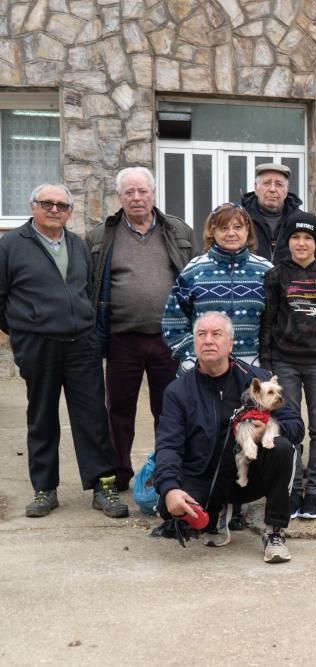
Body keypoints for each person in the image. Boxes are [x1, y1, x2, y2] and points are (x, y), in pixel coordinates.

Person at [0, 184, 128, 519]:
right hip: (38, 346)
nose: (55, 210)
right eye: (47, 203)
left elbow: (86, 289)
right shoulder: (11, 245)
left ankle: (103, 485)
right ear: (33, 207)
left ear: (70, 211)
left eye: (62, 205)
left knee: (93, 417)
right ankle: (45, 489)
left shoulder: (77, 244)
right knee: (42, 417)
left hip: (81, 344)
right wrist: (24, 331)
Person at [154, 312, 304, 563]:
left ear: (231, 344)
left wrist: (263, 432)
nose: (208, 340)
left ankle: (274, 531)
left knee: (281, 446)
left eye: (216, 334)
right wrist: (169, 488)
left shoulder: (259, 379)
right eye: (201, 334)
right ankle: (217, 512)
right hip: (204, 476)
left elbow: (295, 425)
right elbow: (168, 444)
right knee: (168, 509)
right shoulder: (177, 391)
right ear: (194, 342)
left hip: (250, 475)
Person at [162, 202, 272, 531]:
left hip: (250, 369)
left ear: (248, 232)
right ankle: (204, 495)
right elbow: (172, 319)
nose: (231, 233)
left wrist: (266, 366)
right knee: (209, 434)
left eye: (238, 226)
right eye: (223, 227)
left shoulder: (266, 270)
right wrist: (190, 357)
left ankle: (238, 501)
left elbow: (275, 320)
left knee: (248, 434)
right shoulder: (194, 270)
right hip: (205, 368)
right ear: (212, 232)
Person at [87, 166, 193, 491]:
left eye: (142, 191)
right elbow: (90, 284)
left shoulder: (179, 231)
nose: (136, 198)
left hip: (168, 339)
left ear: (153, 194)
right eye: (129, 192)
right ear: (119, 197)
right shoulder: (100, 235)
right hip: (122, 339)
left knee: (169, 410)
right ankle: (119, 473)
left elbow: (192, 278)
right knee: (118, 409)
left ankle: (168, 472)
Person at [260, 217, 316, 521]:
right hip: (285, 362)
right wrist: (268, 364)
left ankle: (314, 491)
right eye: (295, 237)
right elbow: (268, 322)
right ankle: (294, 489)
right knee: (290, 428)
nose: (301, 243)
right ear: (288, 242)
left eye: (307, 238)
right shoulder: (276, 275)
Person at [241, 163, 316, 264]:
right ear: (256, 188)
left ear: (286, 190)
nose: (272, 189)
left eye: (279, 184)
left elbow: (314, 259)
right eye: (266, 183)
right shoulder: (241, 218)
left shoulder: (300, 221)